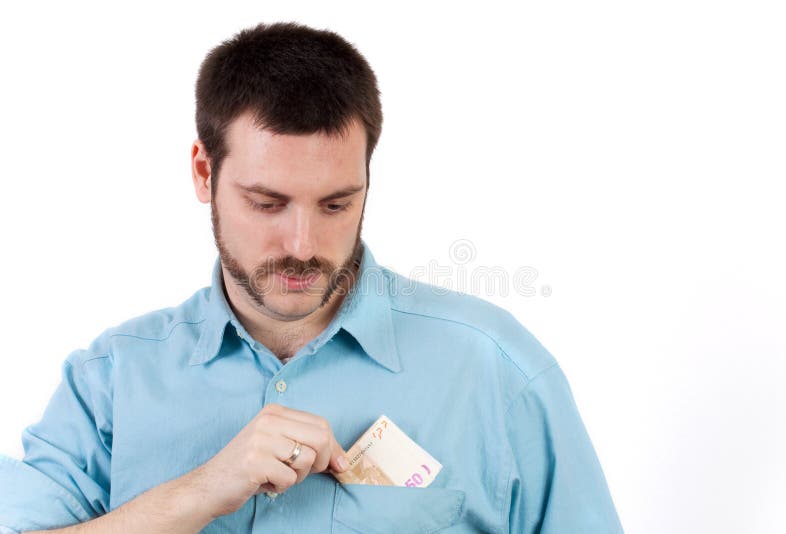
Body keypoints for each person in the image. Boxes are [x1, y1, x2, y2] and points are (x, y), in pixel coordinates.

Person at [0, 21, 624, 533]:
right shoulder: (107, 383)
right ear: (202, 172)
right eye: (267, 203)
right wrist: (201, 492)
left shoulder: (495, 369)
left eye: (335, 205)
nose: (303, 246)